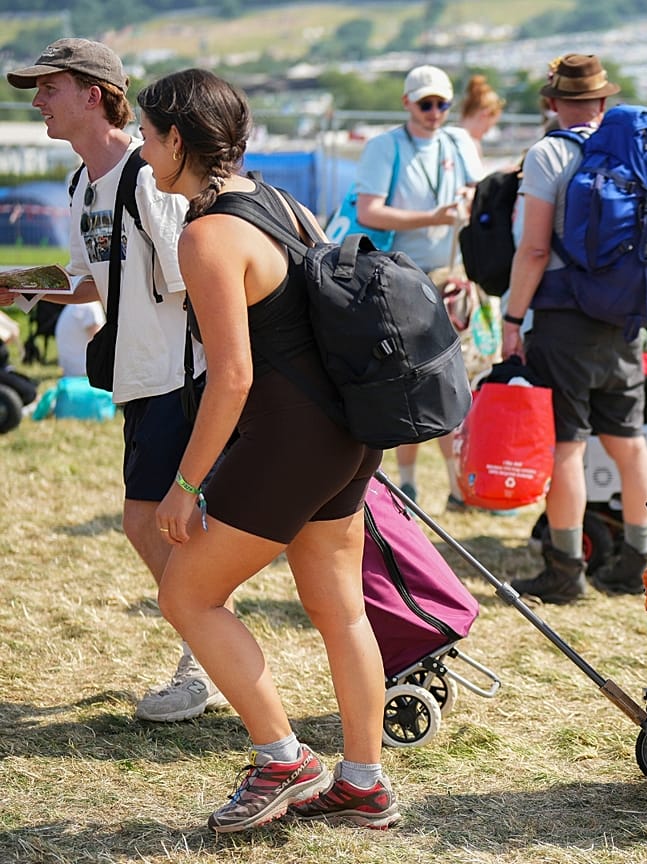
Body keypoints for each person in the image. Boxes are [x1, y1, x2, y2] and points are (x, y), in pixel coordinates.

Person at [138, 68, 399, 832]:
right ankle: (364, 783)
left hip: (293, 440)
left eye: (149, 136)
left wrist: (185, 485)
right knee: (339, 609)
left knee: (186, 595)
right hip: (349, 436)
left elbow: (233, 378)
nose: (142, 150)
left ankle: (283, 757)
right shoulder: (280, 204)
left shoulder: (206, 235)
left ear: (178, 140)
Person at [0, 38, 227, 724]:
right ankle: (212, 652)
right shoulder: (82, 181)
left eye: (49, 88)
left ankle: (208, 660)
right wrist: (18, 286)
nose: (37, 101)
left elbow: (196, 277)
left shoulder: (145, 172)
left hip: (179, 375)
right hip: (139, 377)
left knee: (157, 523)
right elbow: (88, 277)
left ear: (93, 94)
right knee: (156, 523)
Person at [498, 54, 647, 602]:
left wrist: (513, 318)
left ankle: (565, 570)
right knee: (628, 443)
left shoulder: (549, 152)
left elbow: (536, 246)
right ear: (603, 101)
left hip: (565, 317)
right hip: (625, 316)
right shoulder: (634, 151)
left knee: (566, 447)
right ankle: (641, 560)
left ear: (554, 102)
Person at [353, 64, 484, 506]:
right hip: (400, 279)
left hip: (451, 277)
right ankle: (407, 483)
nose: (434, 112)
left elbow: (475, 191)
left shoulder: (457, 141)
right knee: (411, 384)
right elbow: (369, 212)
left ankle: (451, 484)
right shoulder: (385, 146)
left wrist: (470, 198)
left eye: (442, 104)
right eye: (426, 104)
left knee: (449, 385)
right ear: (407, 102)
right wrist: (435, 216)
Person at [457, 73, 505, 158]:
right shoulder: (472, 145)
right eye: (488, 127)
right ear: (485, 114)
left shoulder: (444, 138)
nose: (485, 133)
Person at [54, 300, 105, 378]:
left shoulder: (76, 304)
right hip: (85, 374)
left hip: (70, 372)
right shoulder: (91, 306)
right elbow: (100, 346)